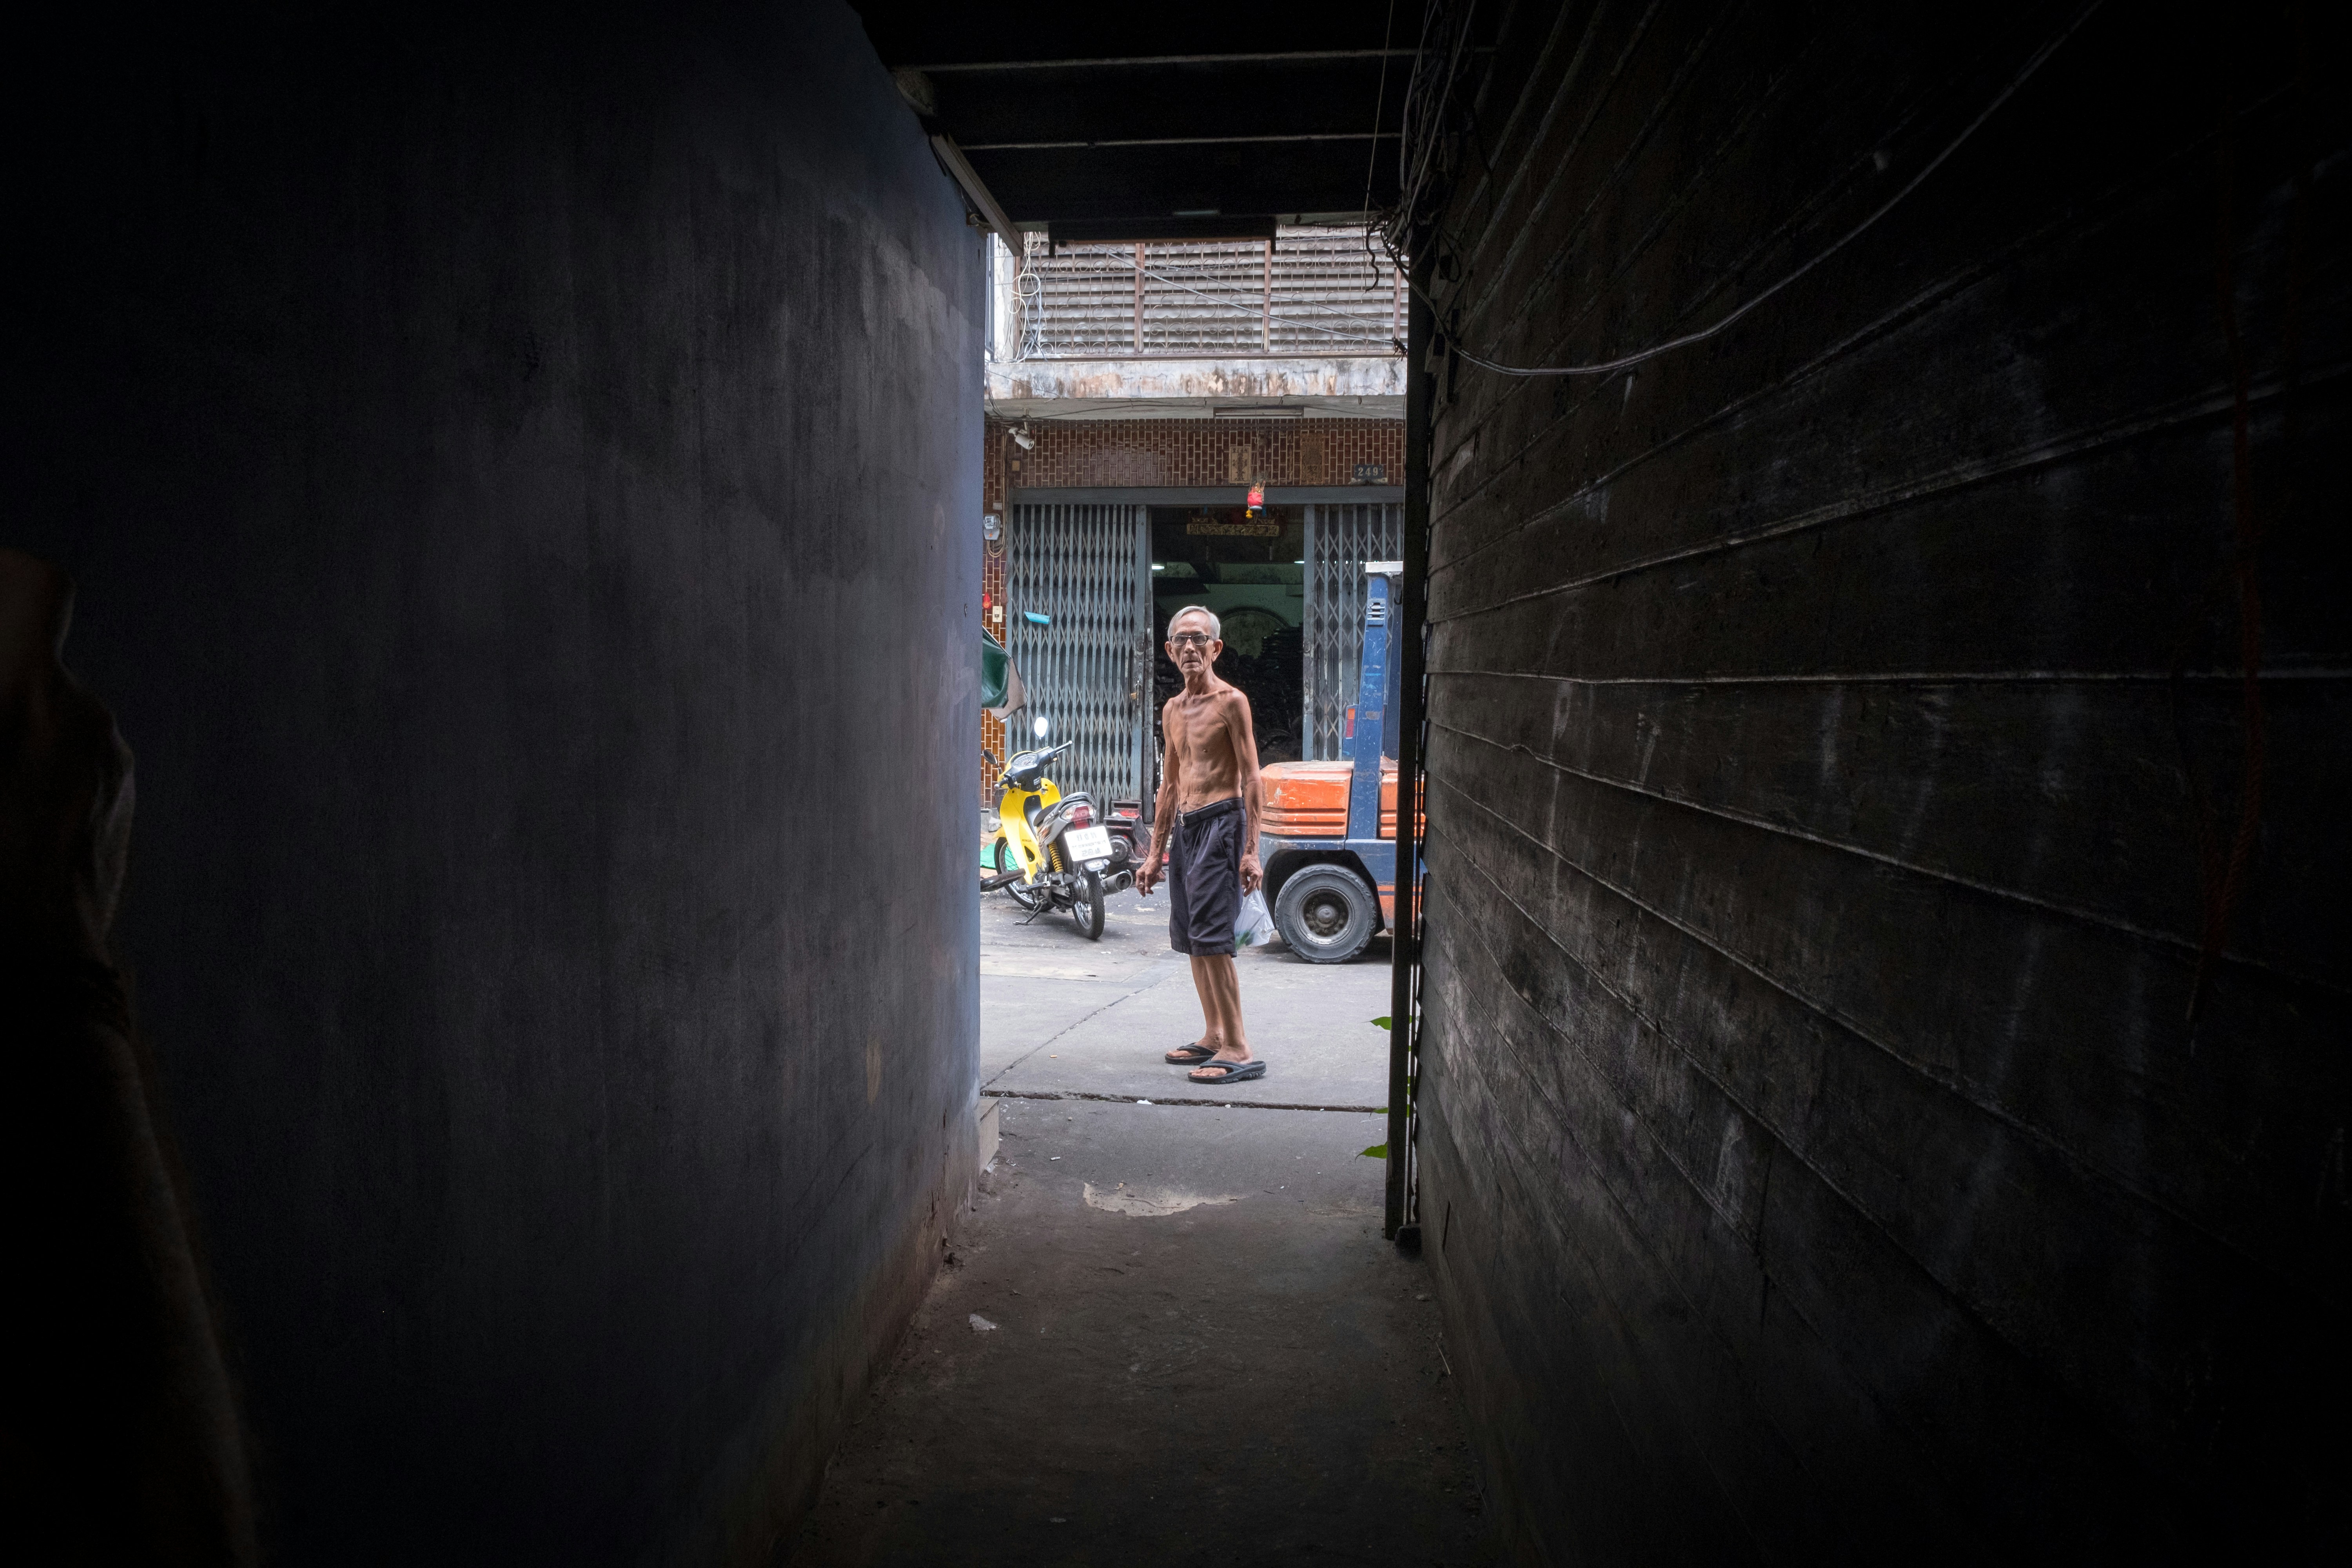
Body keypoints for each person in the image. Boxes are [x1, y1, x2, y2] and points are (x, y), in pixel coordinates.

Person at [1136, 606, 1266, 1083]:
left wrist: (1252, 850)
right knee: (1193, 937)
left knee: (1213, 938)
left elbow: (1252, 777)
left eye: (1199, 639)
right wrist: (1155, 855)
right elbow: (1169, 786)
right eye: (1181, 640)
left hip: (1222, 822)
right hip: (1187, 829)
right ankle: (1214, 1035)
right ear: (1169, 651)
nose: (1190, 647)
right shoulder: (1172, 710)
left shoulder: (1232, 702)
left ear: (1216, 648)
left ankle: (1239, 1047)